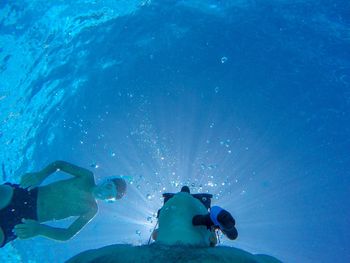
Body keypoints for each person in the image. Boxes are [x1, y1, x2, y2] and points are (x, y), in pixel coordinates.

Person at [0, 160, 127, 248]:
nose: (103, 193)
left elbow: (67, 234)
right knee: (4, 193)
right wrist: (40, 175)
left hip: (26, 219)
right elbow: (59, 164)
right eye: (108, 187)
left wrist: (40, 229)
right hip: (27, 194)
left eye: (109, 195)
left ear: (109, 200)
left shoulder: (91, 210)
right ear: (106, 180)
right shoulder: (87, 176)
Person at [151, 186, 237, 246]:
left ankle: (219, 226)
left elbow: (155, 234)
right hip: (199, 231)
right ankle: (220, 227)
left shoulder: (170, 205)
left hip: (168, 239)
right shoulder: (196, 205)